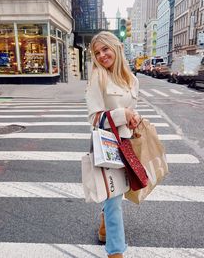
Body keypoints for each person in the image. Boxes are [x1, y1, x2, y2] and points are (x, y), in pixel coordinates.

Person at [85, 31, 141, 258]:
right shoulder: (98, 77)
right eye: (97, 52)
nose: (101, 55)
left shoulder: (132, 80)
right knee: (114, 199)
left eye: (105, 49)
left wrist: (134, 117)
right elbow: (94, 118)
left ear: (116, 48)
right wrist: (123, 113)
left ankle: (104, 224)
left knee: (117, 193)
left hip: (126, 142)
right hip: (106, 144)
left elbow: (131, 109)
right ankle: (115, 252)